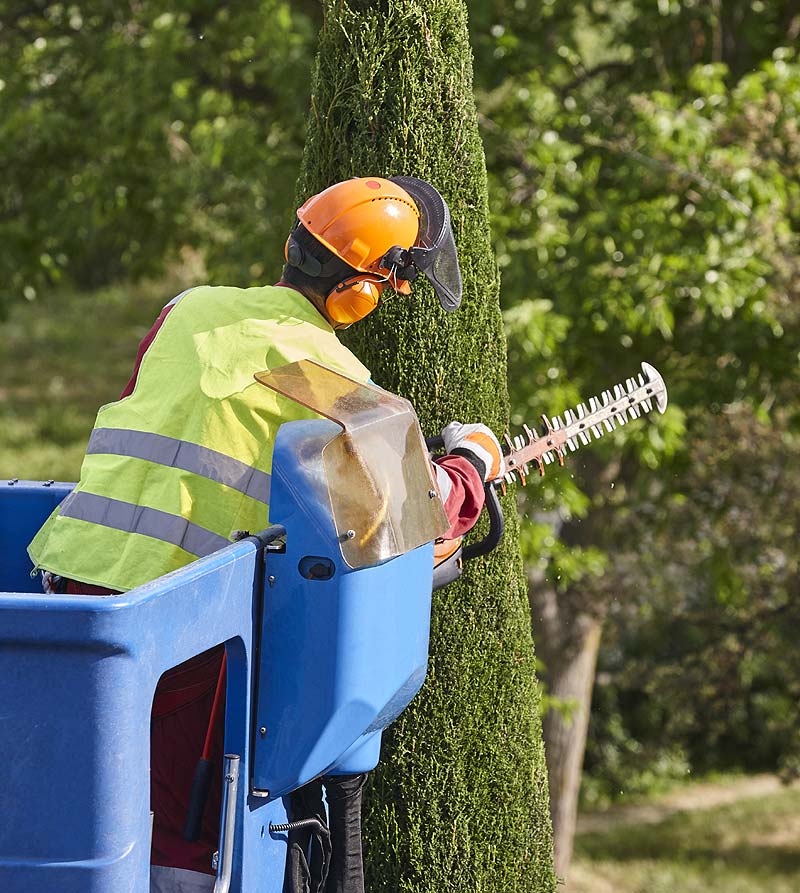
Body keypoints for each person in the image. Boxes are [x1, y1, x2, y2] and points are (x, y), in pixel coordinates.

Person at [28, 176, 505, 893]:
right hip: (176, 634)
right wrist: (471, 464)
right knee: (174, 843)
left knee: (59, 813)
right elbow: (410, 511)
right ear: (361, 292)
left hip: (62, 594)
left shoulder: (188, 311)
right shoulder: (331, 377)